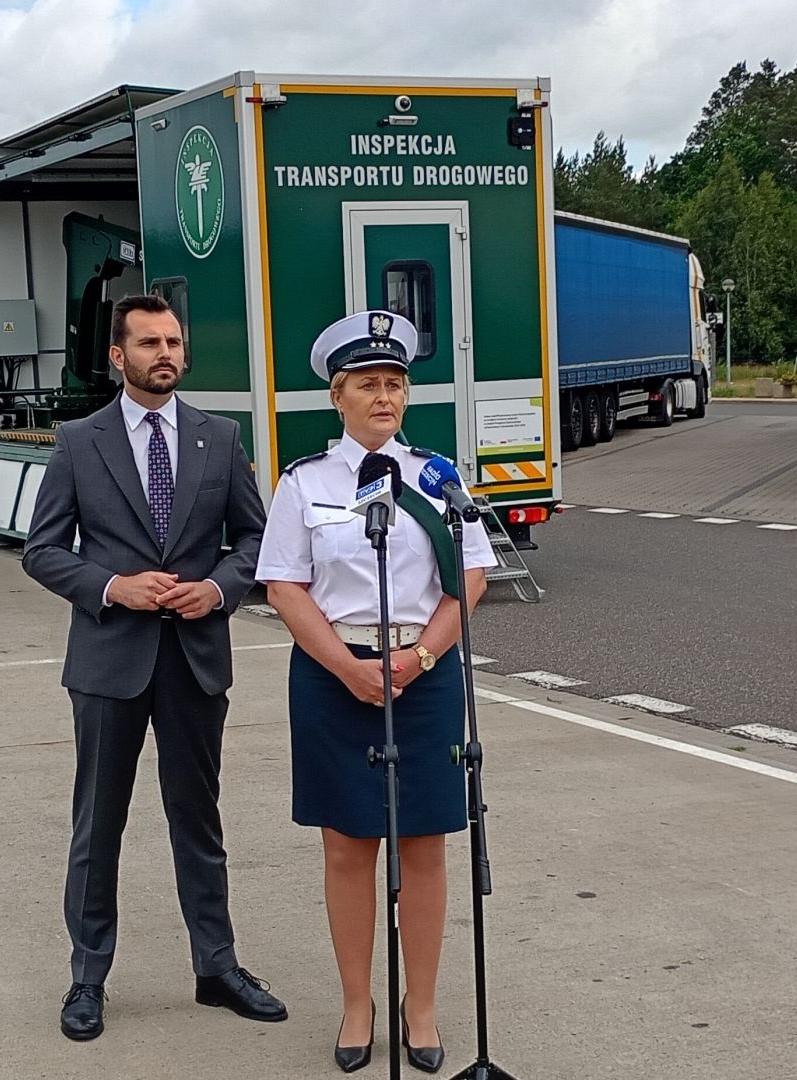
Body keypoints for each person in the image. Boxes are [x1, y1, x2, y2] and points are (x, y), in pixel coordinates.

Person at [23, 294, 285, 1042]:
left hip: (195, 661)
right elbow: (42, 551)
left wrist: (218, 589)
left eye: (172, 341)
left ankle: (217, 967)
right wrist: (114, 587)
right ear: (118, 356)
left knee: (198, 819)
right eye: (148, 342)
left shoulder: (218, 437)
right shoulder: (80, 442)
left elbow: (255, 539)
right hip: (109, 661)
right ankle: (88, 977)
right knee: (97, 824)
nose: (164, 353)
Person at [255, 310, 495, 1073]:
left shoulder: (436, 476)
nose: (384, 396)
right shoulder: (304, 482)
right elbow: (284, 586)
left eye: (394, 383)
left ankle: (419, 1007)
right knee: (347, 846)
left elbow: (471, 576)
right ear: (337, 396)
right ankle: (357, 1003)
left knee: (424, 844)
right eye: (367, 384)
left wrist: (419, 657)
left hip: (423, 674)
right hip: (334, 676)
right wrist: (347, 667)